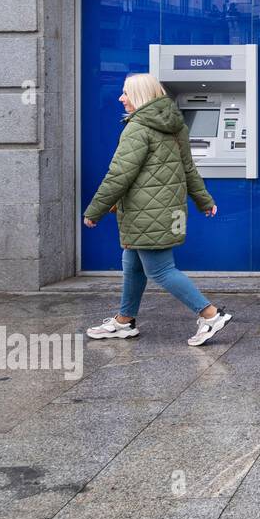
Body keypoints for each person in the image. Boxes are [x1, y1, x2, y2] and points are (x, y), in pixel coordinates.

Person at [82, 73, 231, 347]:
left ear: (138, 96)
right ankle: (124, 321)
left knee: (161, 270)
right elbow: (188, 168)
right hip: (163, 209)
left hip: (146, 212)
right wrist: (204, 200)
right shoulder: (176, 125)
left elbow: (119, 174)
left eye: (125, 92)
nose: (120, 98)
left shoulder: (138, 127)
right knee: (133, 265)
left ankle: (210, 315)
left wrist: (96, 210)